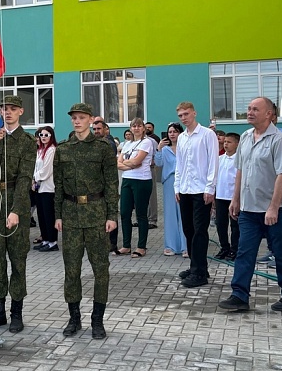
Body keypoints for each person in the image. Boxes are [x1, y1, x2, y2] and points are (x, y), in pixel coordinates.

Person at [218, 97, 282, 312]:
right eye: (248, 108)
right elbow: (240, 170)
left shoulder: (279, 139)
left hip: (276, 209)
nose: (250, 112)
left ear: (269, 114)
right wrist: (235, 199)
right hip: (248, 209)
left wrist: (273, 207)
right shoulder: (245, 137)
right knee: (245, 252)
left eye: (255, 109)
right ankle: (239, 295)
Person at [54, 103, 118, 339]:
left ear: (91, 120)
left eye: (81, 117)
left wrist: (112, 215)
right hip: (70, 214)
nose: (77, 121)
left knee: (101, 269)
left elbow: (112, 184)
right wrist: (57, 215)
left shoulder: (102, 148)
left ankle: (97, 320)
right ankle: (74, 318)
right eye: (74, 118)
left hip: (96, 215)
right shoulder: (63, 149)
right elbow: (58, 185)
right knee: (71, 270)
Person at [0, 95, 36, 333]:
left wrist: (16, 210)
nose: (7, 113)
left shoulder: (27, 141)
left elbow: (25, 178)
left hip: (17, 202)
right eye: (4, 109)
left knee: (17, 260)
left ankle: (16, 312)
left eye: (12, 109)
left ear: (21, 112)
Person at [173, 102, 218, 288]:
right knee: (188, 230)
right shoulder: (182, 137)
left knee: (200, 231)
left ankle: (200, 273)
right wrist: (177, 187)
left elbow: (213, 161)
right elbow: (180, 164)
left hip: (201, 190)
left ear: (194, 113)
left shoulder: (207, 135)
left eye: (186, 114)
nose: (184, 118)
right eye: (180, 115)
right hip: (185, 189)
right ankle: (196, 266)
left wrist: (210, 188)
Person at [116, 117, 157, 258]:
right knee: (124, 213)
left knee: (141, 214)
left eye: (139, 126)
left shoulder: (146, 142)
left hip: (141, 180)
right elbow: (119, 163)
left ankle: (141, 246)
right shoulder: (127, 144)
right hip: (127, 180)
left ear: (143, 128)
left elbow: (138, 161)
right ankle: (126, 245)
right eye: (134, 126)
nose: (136, 128)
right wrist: (130, 164)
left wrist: (128, 163)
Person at [155, 123, 188, 256]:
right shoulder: (165, 149)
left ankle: (186, 246)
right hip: (169, 181)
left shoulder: (185, 147)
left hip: (184, 181)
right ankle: (171, 245)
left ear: (180, 133)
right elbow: (158, 163)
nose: (172, 134)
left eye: (175, 131)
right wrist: (158, 149)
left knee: (184, 213)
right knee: (170, 214)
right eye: (170, 132)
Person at [214, 133, 240, 261]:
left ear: (237, 144)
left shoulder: (239, 160)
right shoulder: (220, 159)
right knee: (220, 224)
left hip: (233, 197)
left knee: (235, 225)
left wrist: (238, 198)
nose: (226, 144)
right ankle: (224, 247)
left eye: (229, 142)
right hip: (220, 196)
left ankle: (235, 249)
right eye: (225, 142)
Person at [33, 126, 57, 252]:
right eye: (41, 135)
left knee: (49, 216)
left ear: (51, 136)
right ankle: (46, 240)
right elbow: (36, 167)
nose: (43, 137)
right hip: (39, 187)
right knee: (41, 216)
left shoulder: (51, 150)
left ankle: (53, 242)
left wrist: (34, 178)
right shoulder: (40, 150)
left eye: (46, 135)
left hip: (48, 188)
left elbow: (47, 170)